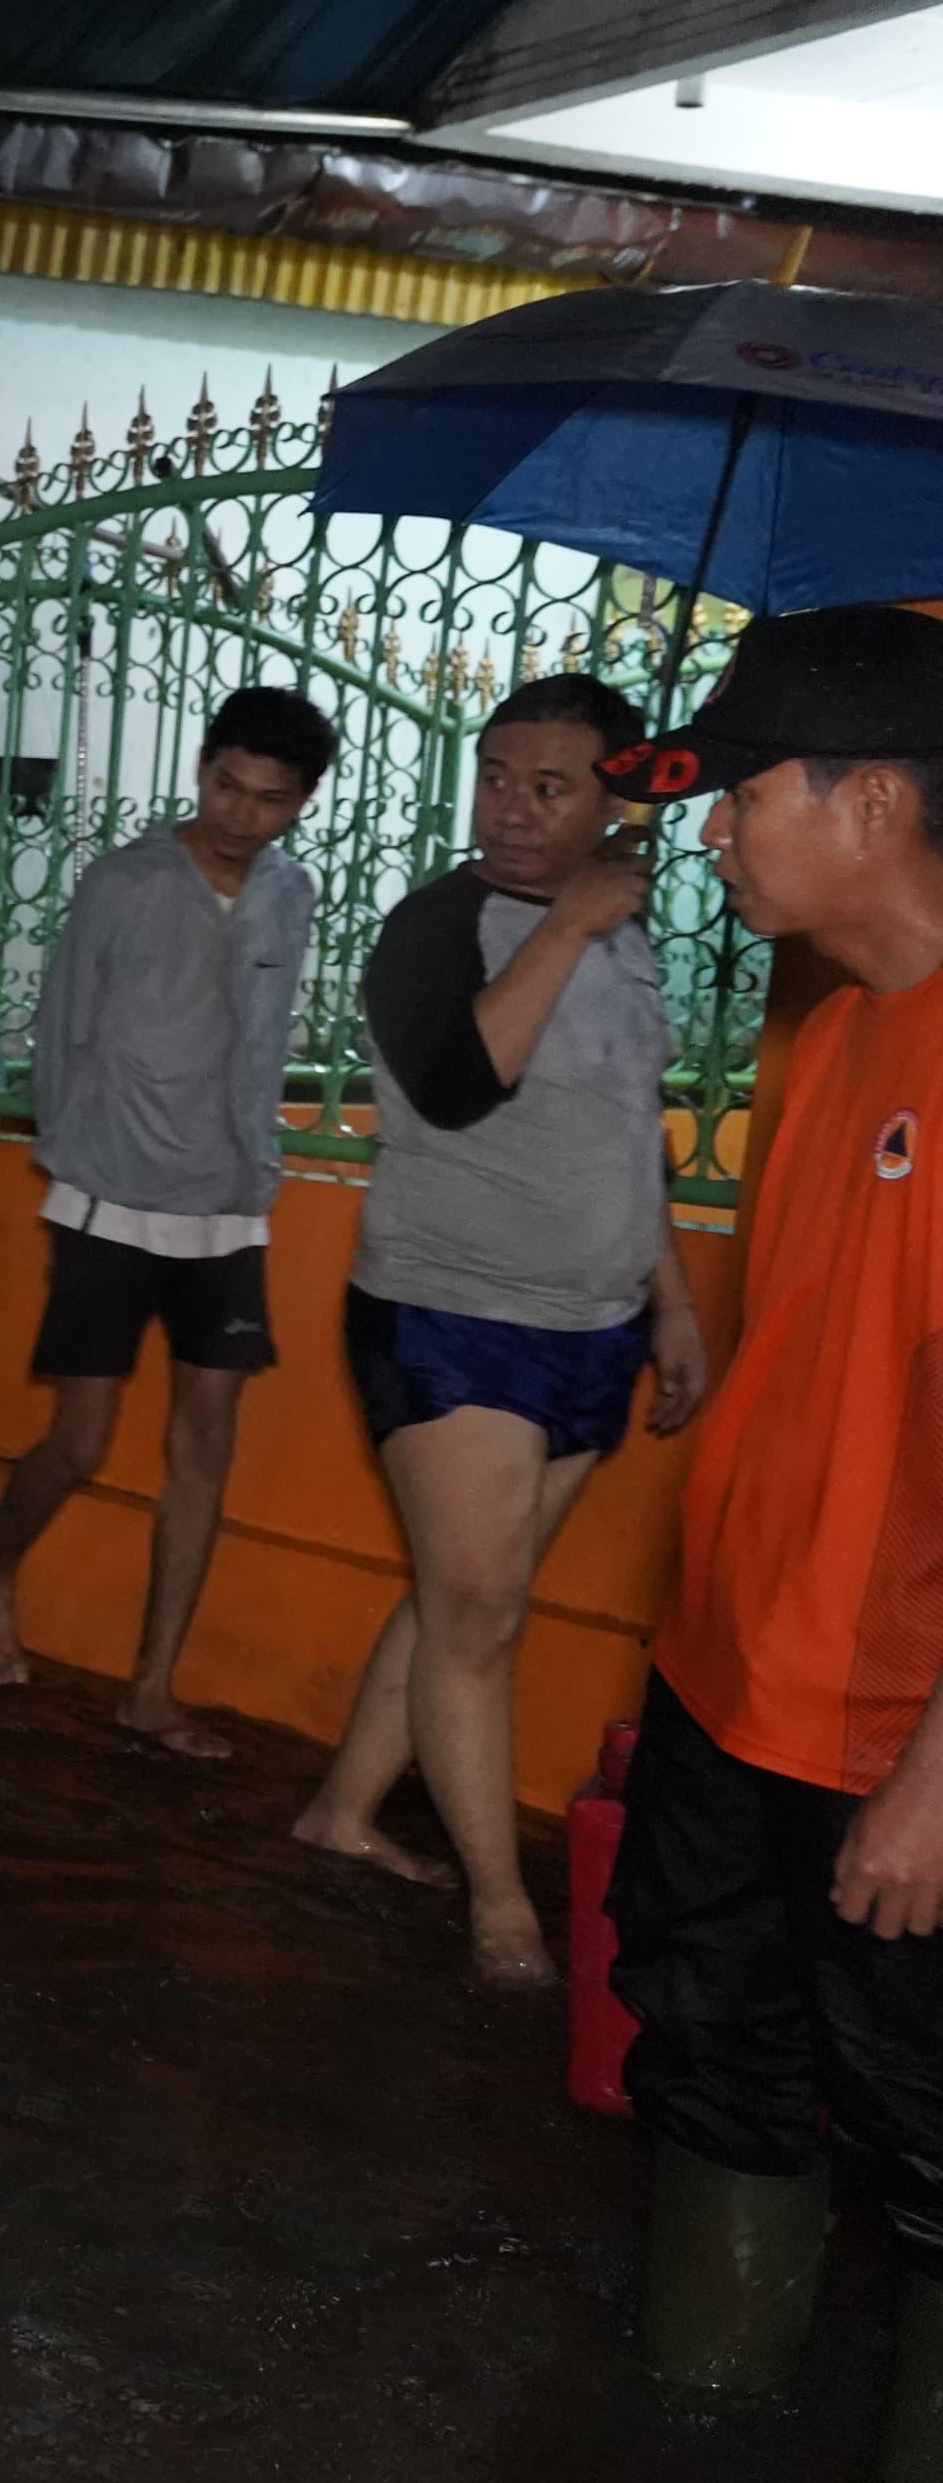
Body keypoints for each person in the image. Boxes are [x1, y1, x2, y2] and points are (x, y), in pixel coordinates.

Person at [586, 607, 943, 2483]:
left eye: (743, 795)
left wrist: (935, 1780)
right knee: (706, 2041)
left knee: (925, 2112)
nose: (712, 832)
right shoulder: (827, 1032)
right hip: (730, 1675)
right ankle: (698, 2434)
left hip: (893, 1730)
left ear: (875, 798)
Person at [290, 677, 710, 1979]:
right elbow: (461, 1086)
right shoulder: (437, 924)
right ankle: (503, 1908)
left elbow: (626, 1126)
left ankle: (340, 1814)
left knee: (464, 1596)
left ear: (611, 796)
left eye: (552, 786)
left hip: (592, 1322)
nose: (515, 810)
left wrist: (672, 1300)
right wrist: (567, 924)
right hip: (450, 1313)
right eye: (496, 778)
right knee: (481, 1611)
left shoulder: (629, 933)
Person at [0, 685, 339, 1757]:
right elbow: (60, 1028)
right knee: (77, 1439)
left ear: (298, 804)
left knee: (203, 1445)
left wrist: (252, 1170)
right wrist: (79, 1170)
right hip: (106, 1198)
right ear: (202, 766)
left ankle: (151, 1688)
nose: (237, 813)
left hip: (227, 1210)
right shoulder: (121, 881)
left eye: (266, 799)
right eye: (223, 783)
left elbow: (259, 1046)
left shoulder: (288, 894)